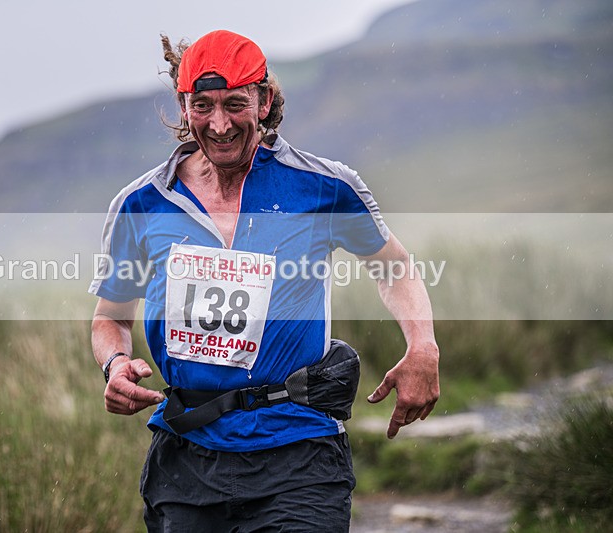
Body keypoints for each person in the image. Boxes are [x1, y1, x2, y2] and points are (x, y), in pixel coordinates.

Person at [89, 29, 439, 532]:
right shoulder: (141, 203)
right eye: (202, 106)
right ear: (183, 106)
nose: (219, 124)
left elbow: (394, 266)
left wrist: (423, 347)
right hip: (187, 456)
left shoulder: (322, 187)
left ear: (265, 100)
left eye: (235, 104)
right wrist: (115, 364)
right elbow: (111, 317)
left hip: (298, 449)